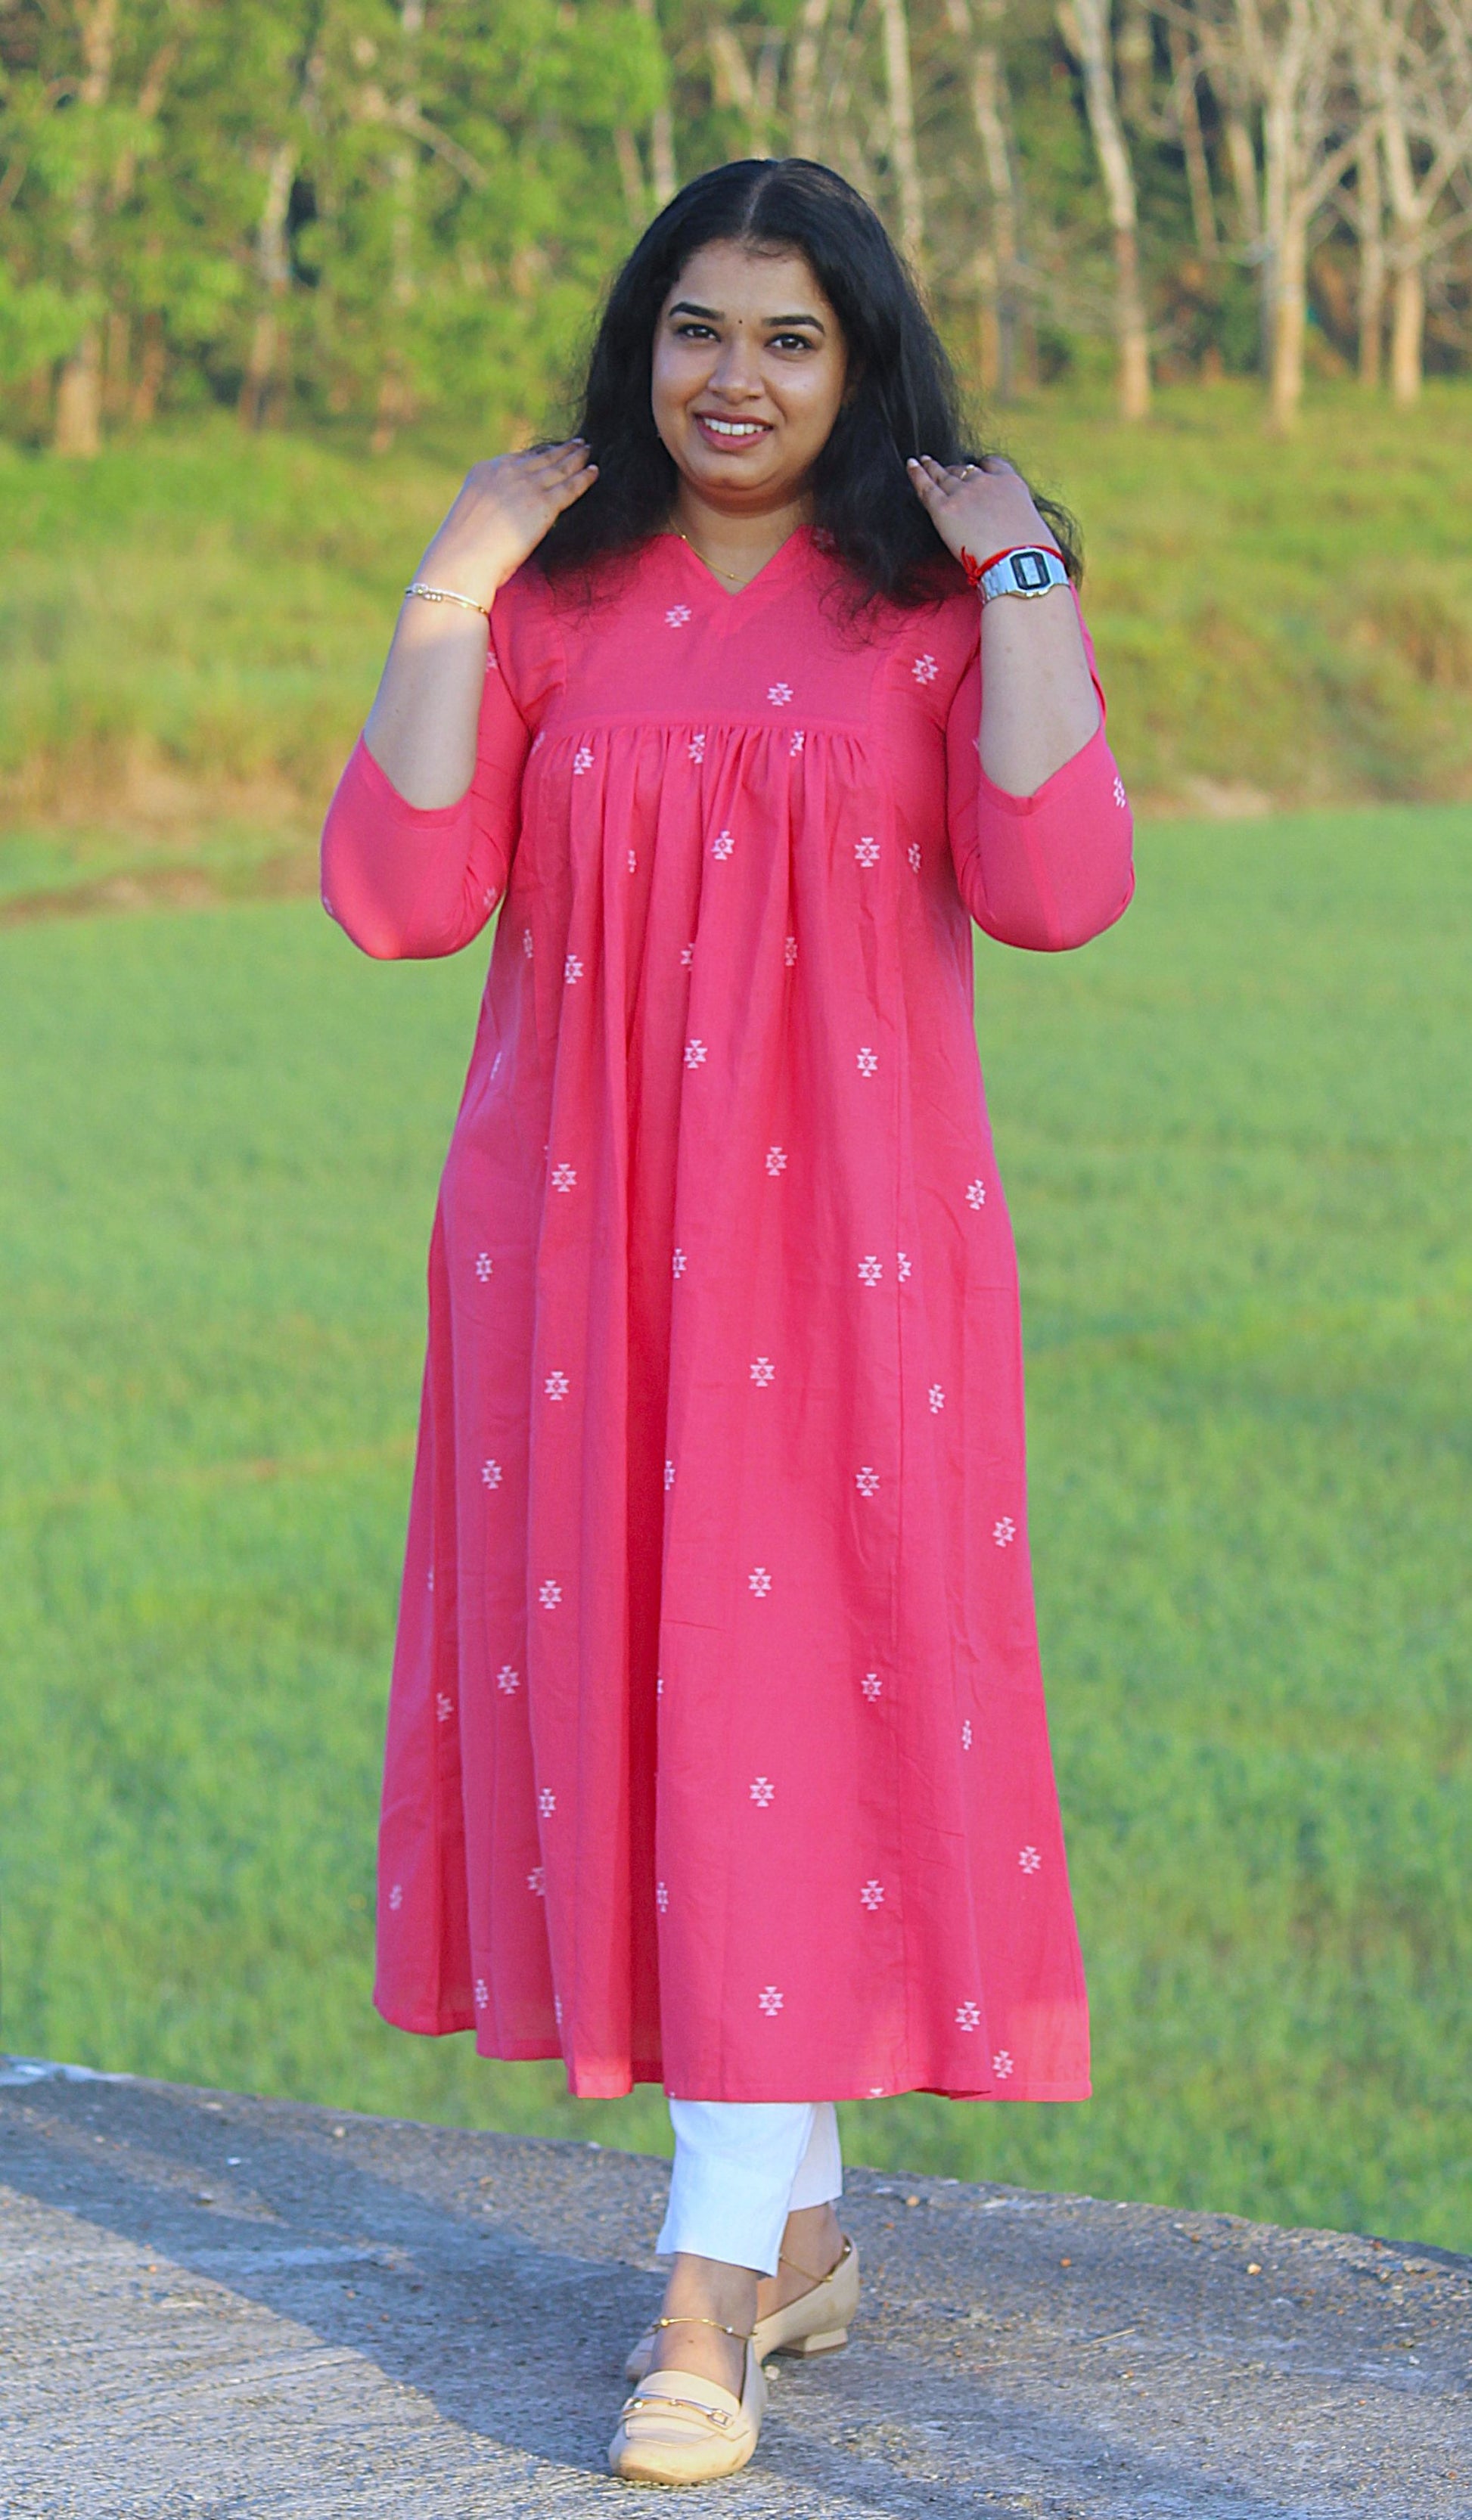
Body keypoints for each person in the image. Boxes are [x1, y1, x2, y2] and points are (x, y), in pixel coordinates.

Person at [321, 156, 1133, 2485]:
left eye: (789, 336)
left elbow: (1057, 883)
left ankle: (702, 2299)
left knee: (781, 1700)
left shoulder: (930, 608)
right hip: (572, 1255)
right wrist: (454, 575)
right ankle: (791, 2227)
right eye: (696, 328)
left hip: (850, 1255)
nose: (735, 378)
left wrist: (1025, 572)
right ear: (639, 346)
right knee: (661, 1719)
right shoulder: (558, 607)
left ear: (860, 360)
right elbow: (396, 895)